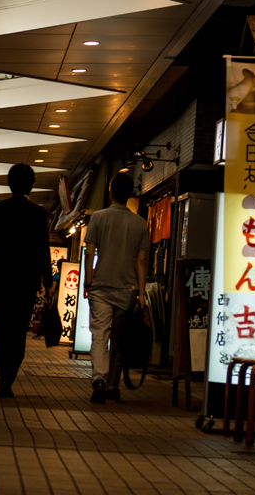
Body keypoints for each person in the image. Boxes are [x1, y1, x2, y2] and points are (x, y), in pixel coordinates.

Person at [0, 163, 52, 398]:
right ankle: (9, 376)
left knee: (2, 327)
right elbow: (43, 250)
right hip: (26, 281)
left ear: (9, 183)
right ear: (32, 184)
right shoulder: (38, 213)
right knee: (19, 329)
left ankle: (2, 371)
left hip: (1, 279)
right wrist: (48, 282)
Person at [83, 172, 149, 403]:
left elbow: (90, 252)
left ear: (110, 192)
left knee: (99, 334)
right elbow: (142, 261)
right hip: (128, 289)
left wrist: (88, 282)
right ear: (130, 195)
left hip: (100, 286)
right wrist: (141, 293)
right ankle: (112, 385)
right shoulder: (140, 223)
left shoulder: (98, 218)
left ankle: (98, 379)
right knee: (121, 338)